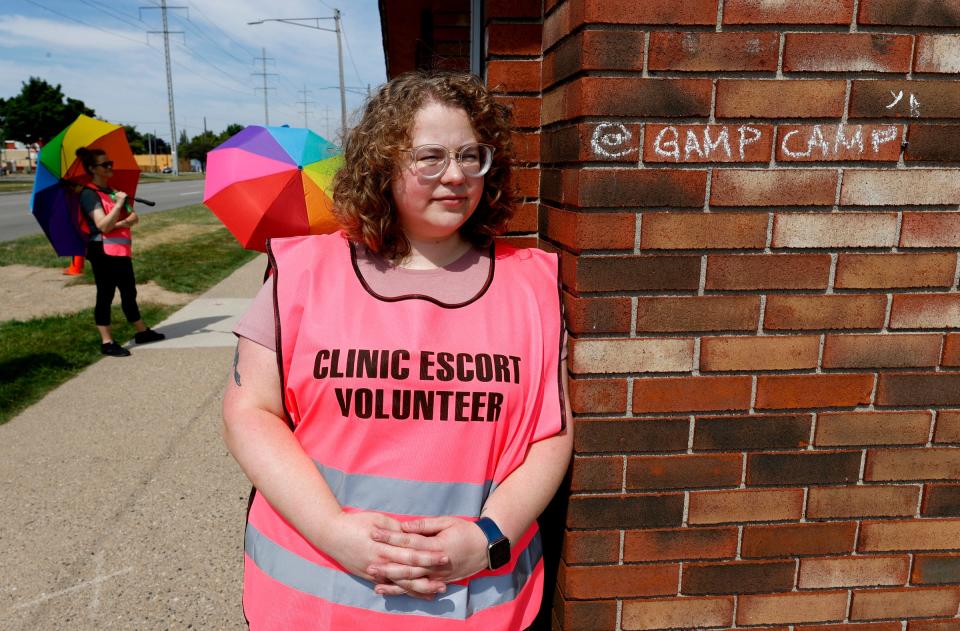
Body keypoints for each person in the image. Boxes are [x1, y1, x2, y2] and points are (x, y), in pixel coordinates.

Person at [224, 70, 573, 630]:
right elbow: (250, 411)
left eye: (471, 155)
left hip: (476, 605)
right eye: (430, 157)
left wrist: (486, 538)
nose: (455, 175)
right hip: (313, 600)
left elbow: (548, 434)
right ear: (384, 166)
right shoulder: (304, 273)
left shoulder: (529, 283)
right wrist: (333, 532)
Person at [75, 147, 165, 356]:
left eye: (110, 163)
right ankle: (107, 342)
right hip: (102, 250)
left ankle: (141, 331)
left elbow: (128, 219)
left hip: (120, 249)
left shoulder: (111, 191)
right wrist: (120, 209)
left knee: (128, 291)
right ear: (92, 169)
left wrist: (124, 215)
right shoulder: (89, 194)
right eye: (104, 164)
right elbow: (103, 225)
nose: (109, 167)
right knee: (105, 294)